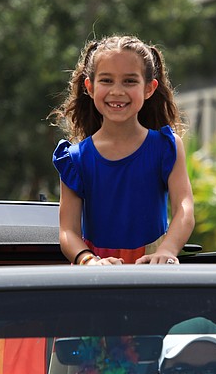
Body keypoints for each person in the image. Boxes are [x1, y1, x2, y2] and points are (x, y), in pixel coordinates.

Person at [50, 35, 195, 265]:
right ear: (89, 86)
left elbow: (184, 209)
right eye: (106, 80)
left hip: (153, 271)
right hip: (95, 278)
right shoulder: (74, 159)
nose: (117, 91)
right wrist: (89, 261)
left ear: (149, 88)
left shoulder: (167, 146)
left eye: (129, 81)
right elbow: (68, 232)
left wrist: (166, 250)